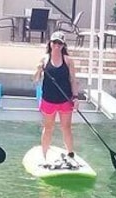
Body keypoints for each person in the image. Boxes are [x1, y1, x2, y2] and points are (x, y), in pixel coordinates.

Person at [33, 30, 82, 164]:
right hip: (49, 99)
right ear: (50, 43)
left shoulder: (68, 61)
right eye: (55, 43)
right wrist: (38, 69)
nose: (57, 46)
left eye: (60, 44)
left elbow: (73, 80)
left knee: (66, 128)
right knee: (48, 128)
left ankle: (71, 154)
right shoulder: (44, 59)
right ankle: (44, 155)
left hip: (65, 99)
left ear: (63, 46)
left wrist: (76, 97)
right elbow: (35, 80)